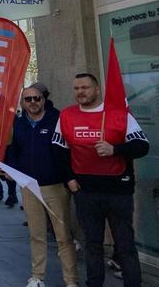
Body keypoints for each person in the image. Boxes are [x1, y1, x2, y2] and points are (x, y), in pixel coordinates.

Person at [53, 73, 150, 287]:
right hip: (85, 191)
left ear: (97, 90)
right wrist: (69, 179)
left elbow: (142, 146)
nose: (81, 92)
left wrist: (115, 149)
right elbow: (58, 151)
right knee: (92, 245)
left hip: (118, 192)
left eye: (85, 87)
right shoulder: (67, 115)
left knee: (125, 246)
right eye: (77, 88)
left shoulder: (120, 115)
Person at [6, 85, 79, 287]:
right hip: (29, 186)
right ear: (22, 102)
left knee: (64, 236)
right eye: (28, 99)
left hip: (55, 186)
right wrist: (12, 171)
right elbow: (13, 151)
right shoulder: (19, 124)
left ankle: (71, 280)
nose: (32, 103)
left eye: (36, 98)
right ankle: (37, 277)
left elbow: (67, 151)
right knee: (36, 235)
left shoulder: (57, 119)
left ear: (43, 99)